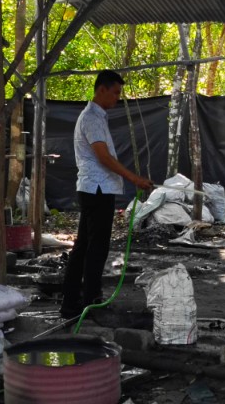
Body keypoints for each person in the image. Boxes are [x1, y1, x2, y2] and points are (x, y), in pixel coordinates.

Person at [60, 70, 153, 318]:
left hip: (94, 188)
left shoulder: (97, 117)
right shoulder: (91, 118)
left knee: (84, 246)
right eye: (115, 93)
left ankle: (72, 302)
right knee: (95, 248)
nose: (117, 98)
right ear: (101, 89)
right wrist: (134, 178)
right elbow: (103, 157)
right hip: (97, 189)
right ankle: (91, 301)